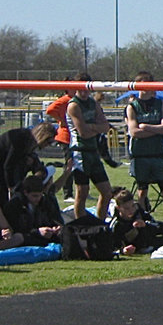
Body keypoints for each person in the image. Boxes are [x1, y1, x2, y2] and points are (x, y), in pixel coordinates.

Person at [125, 71, 163, 229]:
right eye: (144, 84)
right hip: (141, 155)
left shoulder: (160, 104)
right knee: (142, 193)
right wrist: (157, 129)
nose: (148, 87)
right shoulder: (132, 107)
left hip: (158, 155)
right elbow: (134, 132)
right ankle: (142, 224)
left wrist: (147, 127)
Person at [64, 74, 115, 220]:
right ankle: (80, 223)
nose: (84, 91)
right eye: (81, 87)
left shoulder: (94, 103)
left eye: (87, 87)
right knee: (82, 191)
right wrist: (95, 127)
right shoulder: (74, 105)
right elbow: (83, 132)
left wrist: (92, 126)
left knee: (106, 192)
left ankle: (100, 222)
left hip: (93, 152)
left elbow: (105, 126)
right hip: (80, 152)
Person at [0, 122, 56, 198]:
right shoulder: (21, 139)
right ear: (42, 136)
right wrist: (11, 186)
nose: (48, 145)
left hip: (5, 162)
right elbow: (9, 165)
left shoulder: (30, 141)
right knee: (1, 192)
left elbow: (32, 160)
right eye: (48, 142)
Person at [2, 173, 64, 248]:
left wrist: (55, 228)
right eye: (34, 196)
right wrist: (37, 232)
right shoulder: (14, 205)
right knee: (18, 238)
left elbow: (56, 219)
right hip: (26, 237)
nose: (38, 199)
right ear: (25, 193)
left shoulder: (47, 201)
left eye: (40, 195)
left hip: (45, 236)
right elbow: (15, 229)